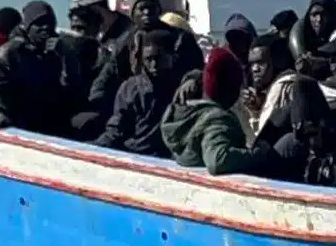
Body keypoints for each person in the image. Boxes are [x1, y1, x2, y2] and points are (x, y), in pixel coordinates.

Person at [160, 48, 288, 177]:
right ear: (230, 88)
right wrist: (259, 154)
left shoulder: (187, 113)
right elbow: (218, 160)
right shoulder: (216, 119)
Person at [0, 1, 85, 137]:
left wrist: (67, 58)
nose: (45, 28)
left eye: (49, 23)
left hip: (51, 124)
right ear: (27, 27)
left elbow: (73, 94)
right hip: (18, 123)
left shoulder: (60, 51)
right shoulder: (9, 53)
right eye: (39, 24)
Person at [96, 29, 182, 157]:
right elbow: (116, 129)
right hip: (135, 154)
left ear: (173, 57)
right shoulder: (131, 88)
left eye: (159, 59)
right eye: (148, 59)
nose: (153, 65)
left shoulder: (183, 86)